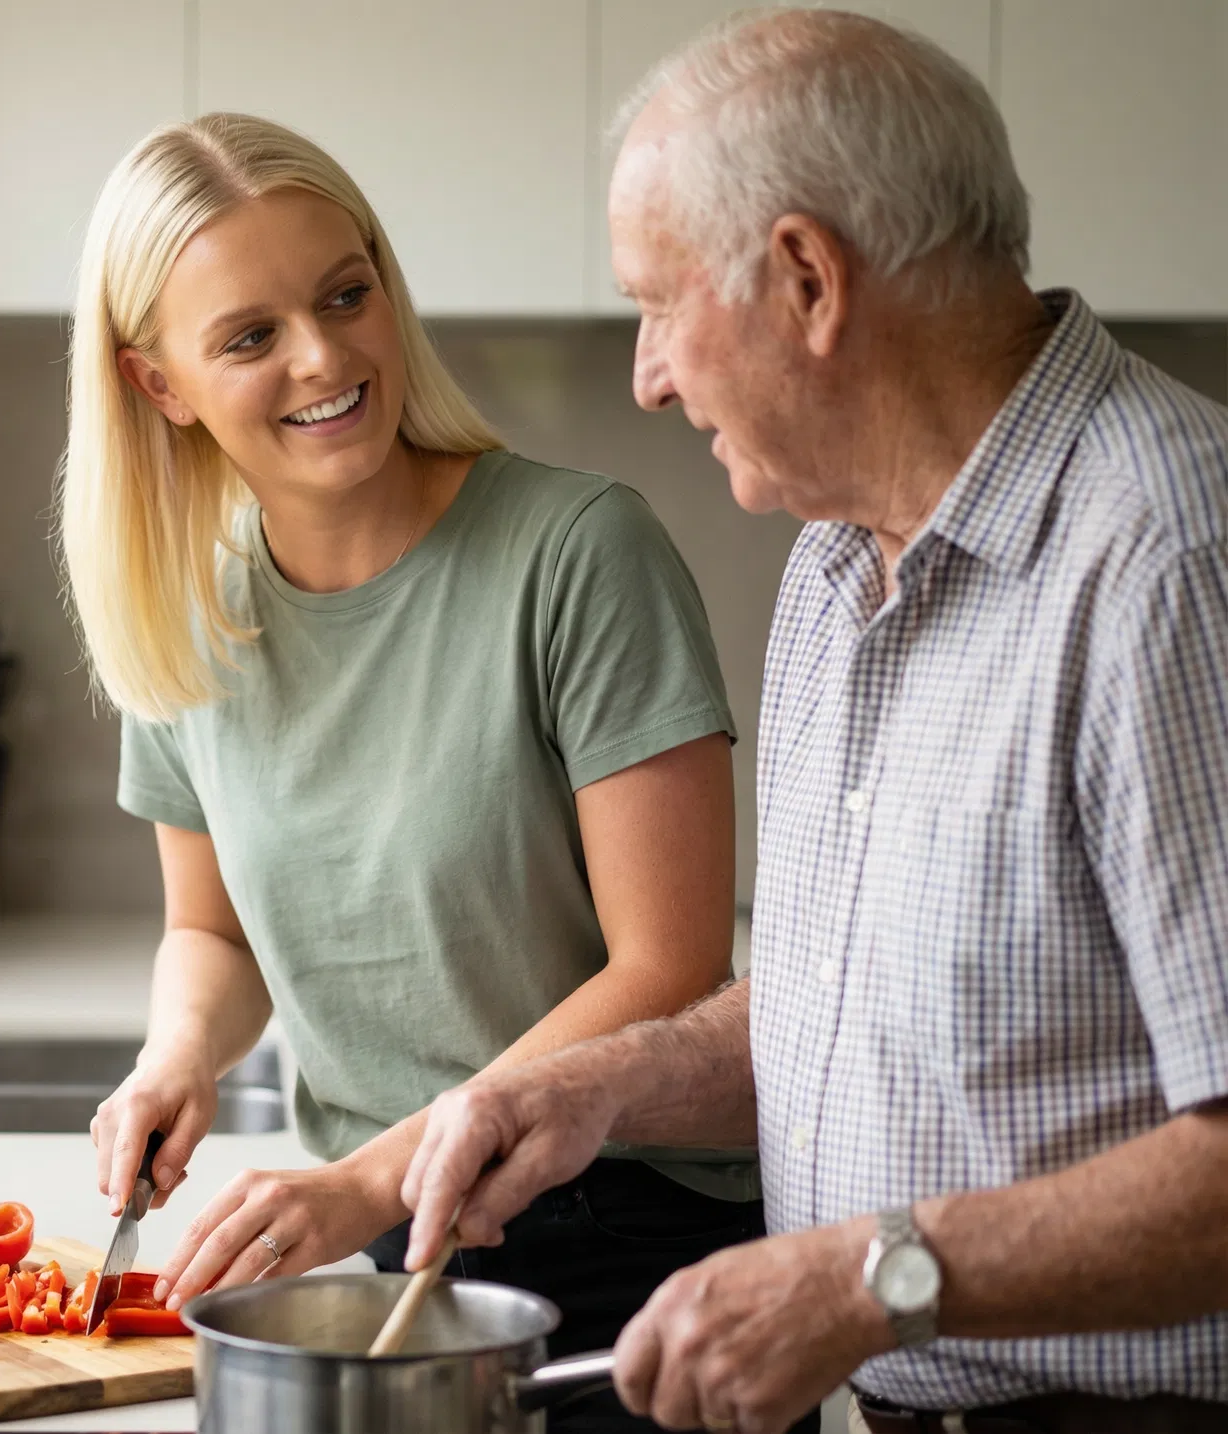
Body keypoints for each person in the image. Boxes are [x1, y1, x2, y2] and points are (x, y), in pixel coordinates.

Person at [398, 10, 1228, 1434]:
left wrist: (869, 1278)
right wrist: (599, 1090)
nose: (648, 374)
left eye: (660, 304)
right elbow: (850, 1018)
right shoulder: (838, 561)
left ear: (805, 280)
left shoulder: (1170, 559)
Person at [57, 112, 799, 1432]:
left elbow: (667, 966)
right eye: (249, 335)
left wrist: (368, 1184)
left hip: (640, 1234)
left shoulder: (578, 553)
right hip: (392, 1257)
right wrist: (180, 1056)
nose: (327, 356)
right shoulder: (188, 617)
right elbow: (208, 929)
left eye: (349, 295)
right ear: (157, 382)